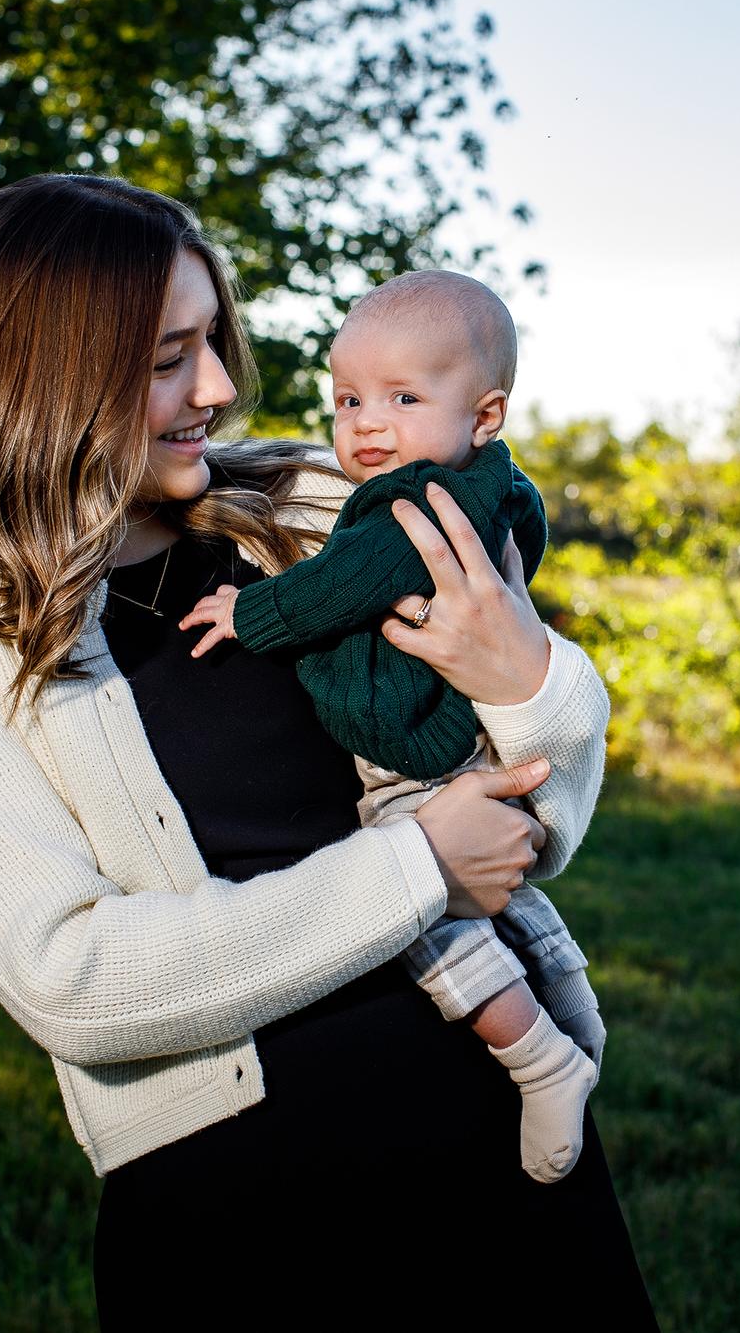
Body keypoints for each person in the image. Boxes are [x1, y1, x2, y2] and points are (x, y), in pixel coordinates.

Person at [0, 173, 658, 1328]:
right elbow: (73, 976)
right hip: (242, 1217)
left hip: (504, 1153)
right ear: (50, 371)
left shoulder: (319, 504)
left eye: (213, 339)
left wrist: (527, 681)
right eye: (171, 354)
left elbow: (538, 816)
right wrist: (417, 866)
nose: (219, 385)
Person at [178, 269, 607, 1186]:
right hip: (455, 741)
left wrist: (249, 614)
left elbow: (345, 582)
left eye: (402, 398)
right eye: (348, 399)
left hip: (415, 743)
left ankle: (542, 1057)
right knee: (511, 900)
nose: (364, 425)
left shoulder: (410, 503)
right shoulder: (480, 485)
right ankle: (577, 1014)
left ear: (484, 416)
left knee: (427, 919)